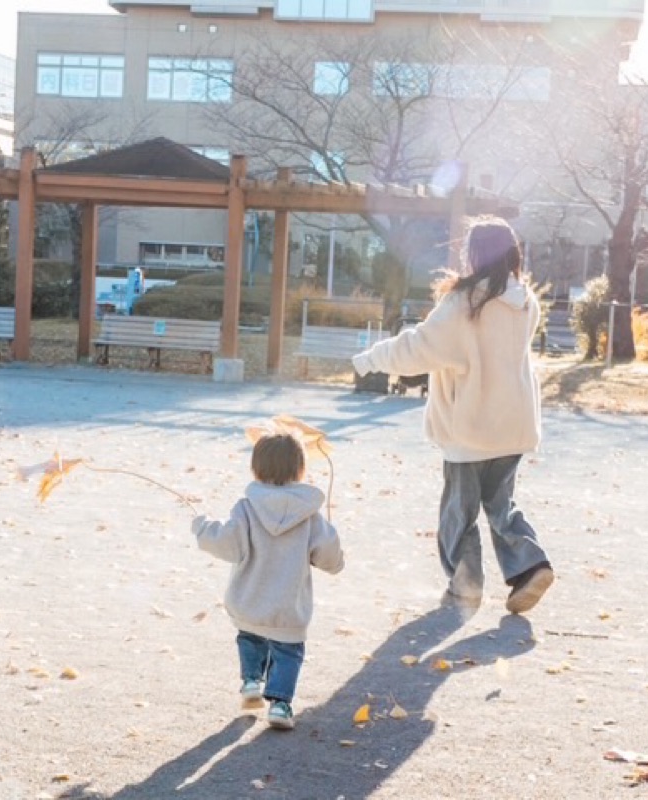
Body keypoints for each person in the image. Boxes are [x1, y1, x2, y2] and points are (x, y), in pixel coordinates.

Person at [352, 215, 553, 615]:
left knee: (458, 512)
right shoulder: (523, 301)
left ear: (474, 255)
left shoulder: (466, 303)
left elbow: (420, 346)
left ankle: (466, 586)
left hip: (470, 425)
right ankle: (531, 566)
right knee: (501, 505)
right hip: (513, 423)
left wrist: (370, 358)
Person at [191, 432, 344, 730]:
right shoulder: (310, 516)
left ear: (255, 468)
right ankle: (281, 705)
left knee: (250, 638)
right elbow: (330, 559)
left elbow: (227, 541)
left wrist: (202, 527)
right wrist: (335, 547)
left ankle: (251, 681)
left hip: (249, 600)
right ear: (300, 469)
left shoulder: (246, 508)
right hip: (289, 606)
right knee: (288, 652)